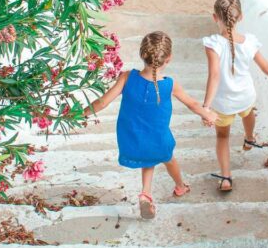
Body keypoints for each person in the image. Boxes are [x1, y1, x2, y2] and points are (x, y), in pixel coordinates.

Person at [87, 31, 217, 219]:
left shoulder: (126, 77)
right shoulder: (170, 85)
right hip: (158, 141)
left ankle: (146, 194)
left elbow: (102, 103)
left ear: (142, 54)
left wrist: (80, 114)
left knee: (149, 155)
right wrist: (209, 115)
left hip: (131, 138)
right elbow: (192, 104)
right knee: (167, 157)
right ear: (168, 59)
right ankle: (181, 186)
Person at [201, 0, 268, 192]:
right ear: (241, 17)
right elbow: (266, 66)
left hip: (223, 103)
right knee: (248, 112)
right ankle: (250, 137)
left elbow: (214, 76)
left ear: (215, 18)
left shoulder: (212, 44)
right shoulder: (250, 41)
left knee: (222, 137)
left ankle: (226, 178)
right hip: (246, 96)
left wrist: (206, 107)